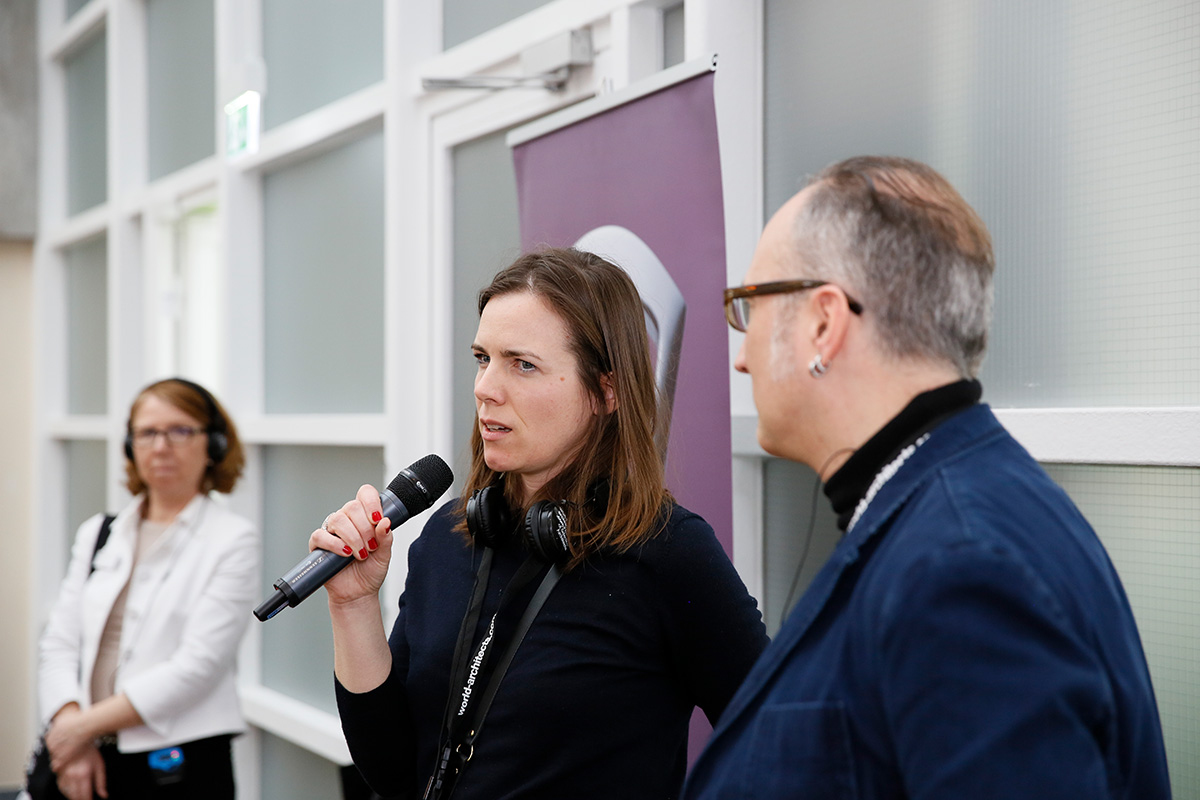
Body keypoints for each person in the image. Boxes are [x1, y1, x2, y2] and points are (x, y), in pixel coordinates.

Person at [683, 156, 1171, 799]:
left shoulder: (963, 564)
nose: (741, 356)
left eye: (749, 306)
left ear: (824, 324)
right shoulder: (943, 514)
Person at [312, 248, 769, 799]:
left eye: (522, 364)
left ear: (607, 390)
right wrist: (353, 606)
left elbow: (776, 747)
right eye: (483, 358)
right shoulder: (449, 537)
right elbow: (391, 770)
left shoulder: (670, 552)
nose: (485, 387)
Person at [37, 378, 260, 800]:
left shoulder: (232, 539)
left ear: (213, 445)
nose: (161, 446)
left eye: (179, 430)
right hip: (86, 755)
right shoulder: (99, 533)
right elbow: (59, 643)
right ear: (130, 446)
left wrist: (78, 729)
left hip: (178, 766)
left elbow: (197, 666)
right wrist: (73, 735)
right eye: (147, 432)